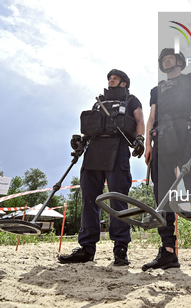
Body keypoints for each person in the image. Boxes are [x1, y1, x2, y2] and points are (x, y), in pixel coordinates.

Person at [58, 69, 145, 266]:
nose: (111, 80)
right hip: (94, 150)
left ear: (123, 83)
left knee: (117, 199)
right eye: (109, 78)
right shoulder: (98, 103)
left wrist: (141, 138)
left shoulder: (131, 100)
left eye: (115, 78)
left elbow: (139, 120)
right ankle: (87, 248)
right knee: (89, 199)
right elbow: (92, 126)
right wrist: (81, 141)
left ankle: (120, 248)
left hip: (118, 148)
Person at [142, 49, 191, 274]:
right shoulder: (156, 90)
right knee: (162, 195)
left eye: (170, 57)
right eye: (163, 58)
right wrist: (147, 145)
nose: (166, 60)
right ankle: (168, 252)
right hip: (161, 139)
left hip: (188, 134)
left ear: (180, 61)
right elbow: (152, 117)